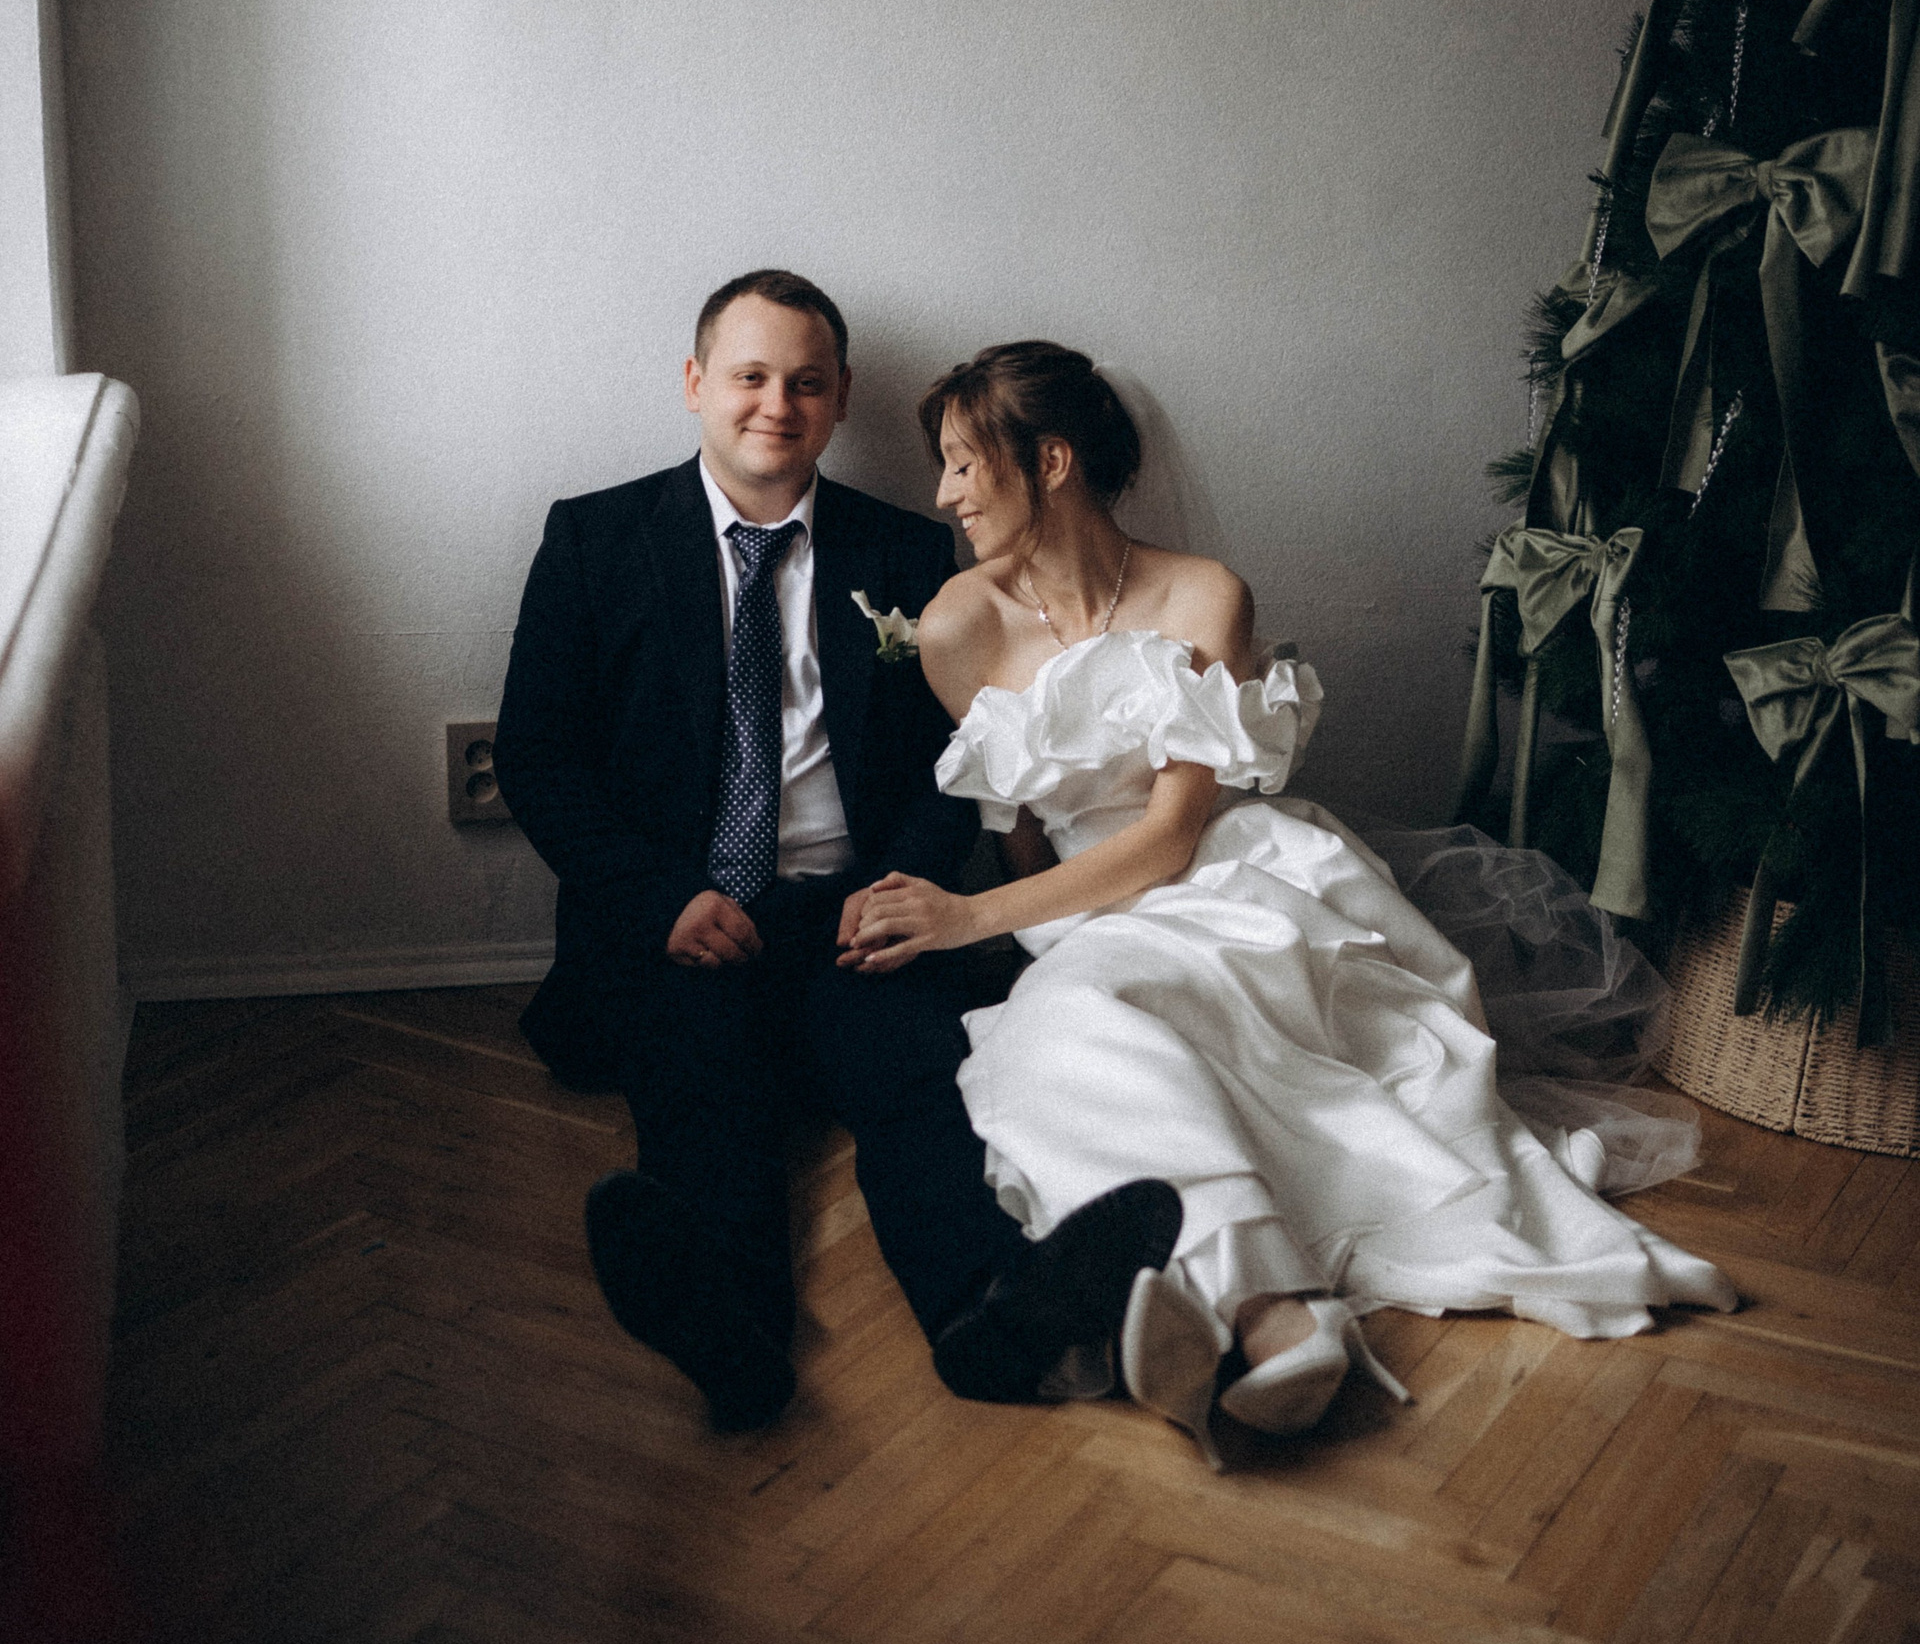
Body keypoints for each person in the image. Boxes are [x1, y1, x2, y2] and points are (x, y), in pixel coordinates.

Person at [838, 341, 1737, 1458]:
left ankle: (1256, 1310)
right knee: (1049, 1031)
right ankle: (1288, 1324)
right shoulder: (955, 625)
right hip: (1080, 909)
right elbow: (1020, 835)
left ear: (1051, 461)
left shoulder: (1203, 594)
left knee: (1081, 1018)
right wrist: (1019, 929)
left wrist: (967, 919)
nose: (944, 494)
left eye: (965, 464)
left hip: (1231, 878)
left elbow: (1171, 832)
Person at [493, 276, 1179, 1432]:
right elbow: (538, 756)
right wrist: (661, 898)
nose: (778, 405)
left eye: (806, 382)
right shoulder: (596, 538)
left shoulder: (907, 552)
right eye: (751, 377)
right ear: (696, 383)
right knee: (700, 1081)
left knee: (916, 1078)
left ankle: (993, 1314)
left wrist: (901, 888)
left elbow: (957, 755)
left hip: (850, 908)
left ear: (843, 397)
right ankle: (734, 1338)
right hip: (684, 915)